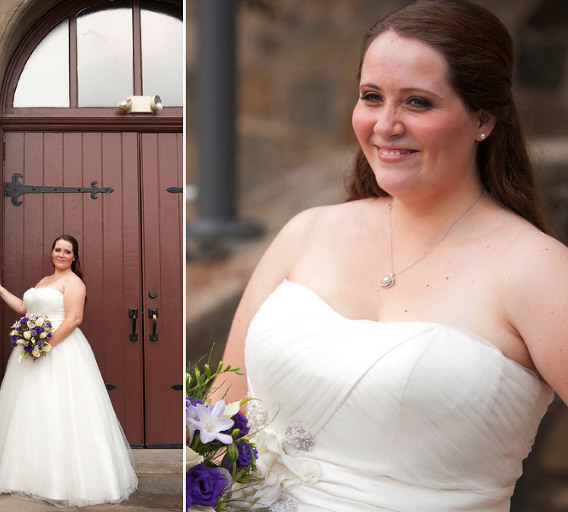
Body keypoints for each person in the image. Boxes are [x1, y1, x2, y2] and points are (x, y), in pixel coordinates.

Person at [214, 1, 568, 510]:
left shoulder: (534, 269)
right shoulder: (306, 232)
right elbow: (221, 412)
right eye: (371, 97)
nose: (385, 124)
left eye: (418, 103)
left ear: (483, 119)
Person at [0, 235, 138, 506]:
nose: (62, 254)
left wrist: (45, 347)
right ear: (52, 252)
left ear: (74, 257)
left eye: (67, 251)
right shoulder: (44, 281)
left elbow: (74, 319)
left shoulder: (74, 283)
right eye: (58, 249)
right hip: (32, 350)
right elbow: (24, 307)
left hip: (60, 350)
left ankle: (63, 480)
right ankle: (25, 475)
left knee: (60, 410)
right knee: (31, 411)